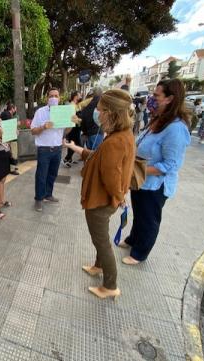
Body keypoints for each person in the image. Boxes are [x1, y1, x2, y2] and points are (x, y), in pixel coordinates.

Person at [64, 89, 135, 300]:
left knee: (101, 241)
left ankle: (110, 286)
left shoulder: (115, 141)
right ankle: (98, 266)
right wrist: (77, 149)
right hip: (106, 199)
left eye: (101, 109)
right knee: (100, 238)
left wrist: (118, 197)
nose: (97, 112)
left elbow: (111, 176)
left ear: (112, 113)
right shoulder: (122, 136)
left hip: (101, 201)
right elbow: (99, 158)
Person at [119, 79, 191, 265]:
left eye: (157, 96)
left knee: (149, 219)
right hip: (140, 180)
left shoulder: (176, 129)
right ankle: (134, 239)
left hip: (154, 185)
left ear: (169, 99)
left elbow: (171, 165)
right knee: (139, 213)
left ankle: (140, 253)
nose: (152, 99)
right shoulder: (158, 120)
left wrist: (137, 169)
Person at [31, 88, 64, 212]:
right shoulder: (40, 112)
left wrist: (72, 123)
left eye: (56, 95)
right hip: (44, 149)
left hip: (58, 148)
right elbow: (33, 131)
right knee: (41, 175)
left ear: (59, 98)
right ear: (47, 98)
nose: (54, 98)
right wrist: (44, 127)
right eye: (51, 96)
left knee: (53, 174)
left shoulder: (62, 112)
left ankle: (48, 194)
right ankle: (38, 199)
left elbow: (65, 131)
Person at [63, 91, 82, 167]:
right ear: (75, 96)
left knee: (73, 144)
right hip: (73, 128)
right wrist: (78, 120)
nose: (80, 96)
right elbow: (71, 118)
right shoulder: (71, 105)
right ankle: (67, 158)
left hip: (77, 128)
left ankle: (68, 159)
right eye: (79, 95)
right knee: (78, 144)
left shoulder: (77, 105)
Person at [0, 102, 20, 175]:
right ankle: (12, 169)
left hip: (5, 137)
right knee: (13, 153)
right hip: (9, 138)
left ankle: (12, 166)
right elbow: (9, 126)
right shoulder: (7, 114)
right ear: (12, 109)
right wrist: (16, 126)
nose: (16, 110)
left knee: (9, 153)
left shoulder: (4, 114)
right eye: (15, 108)